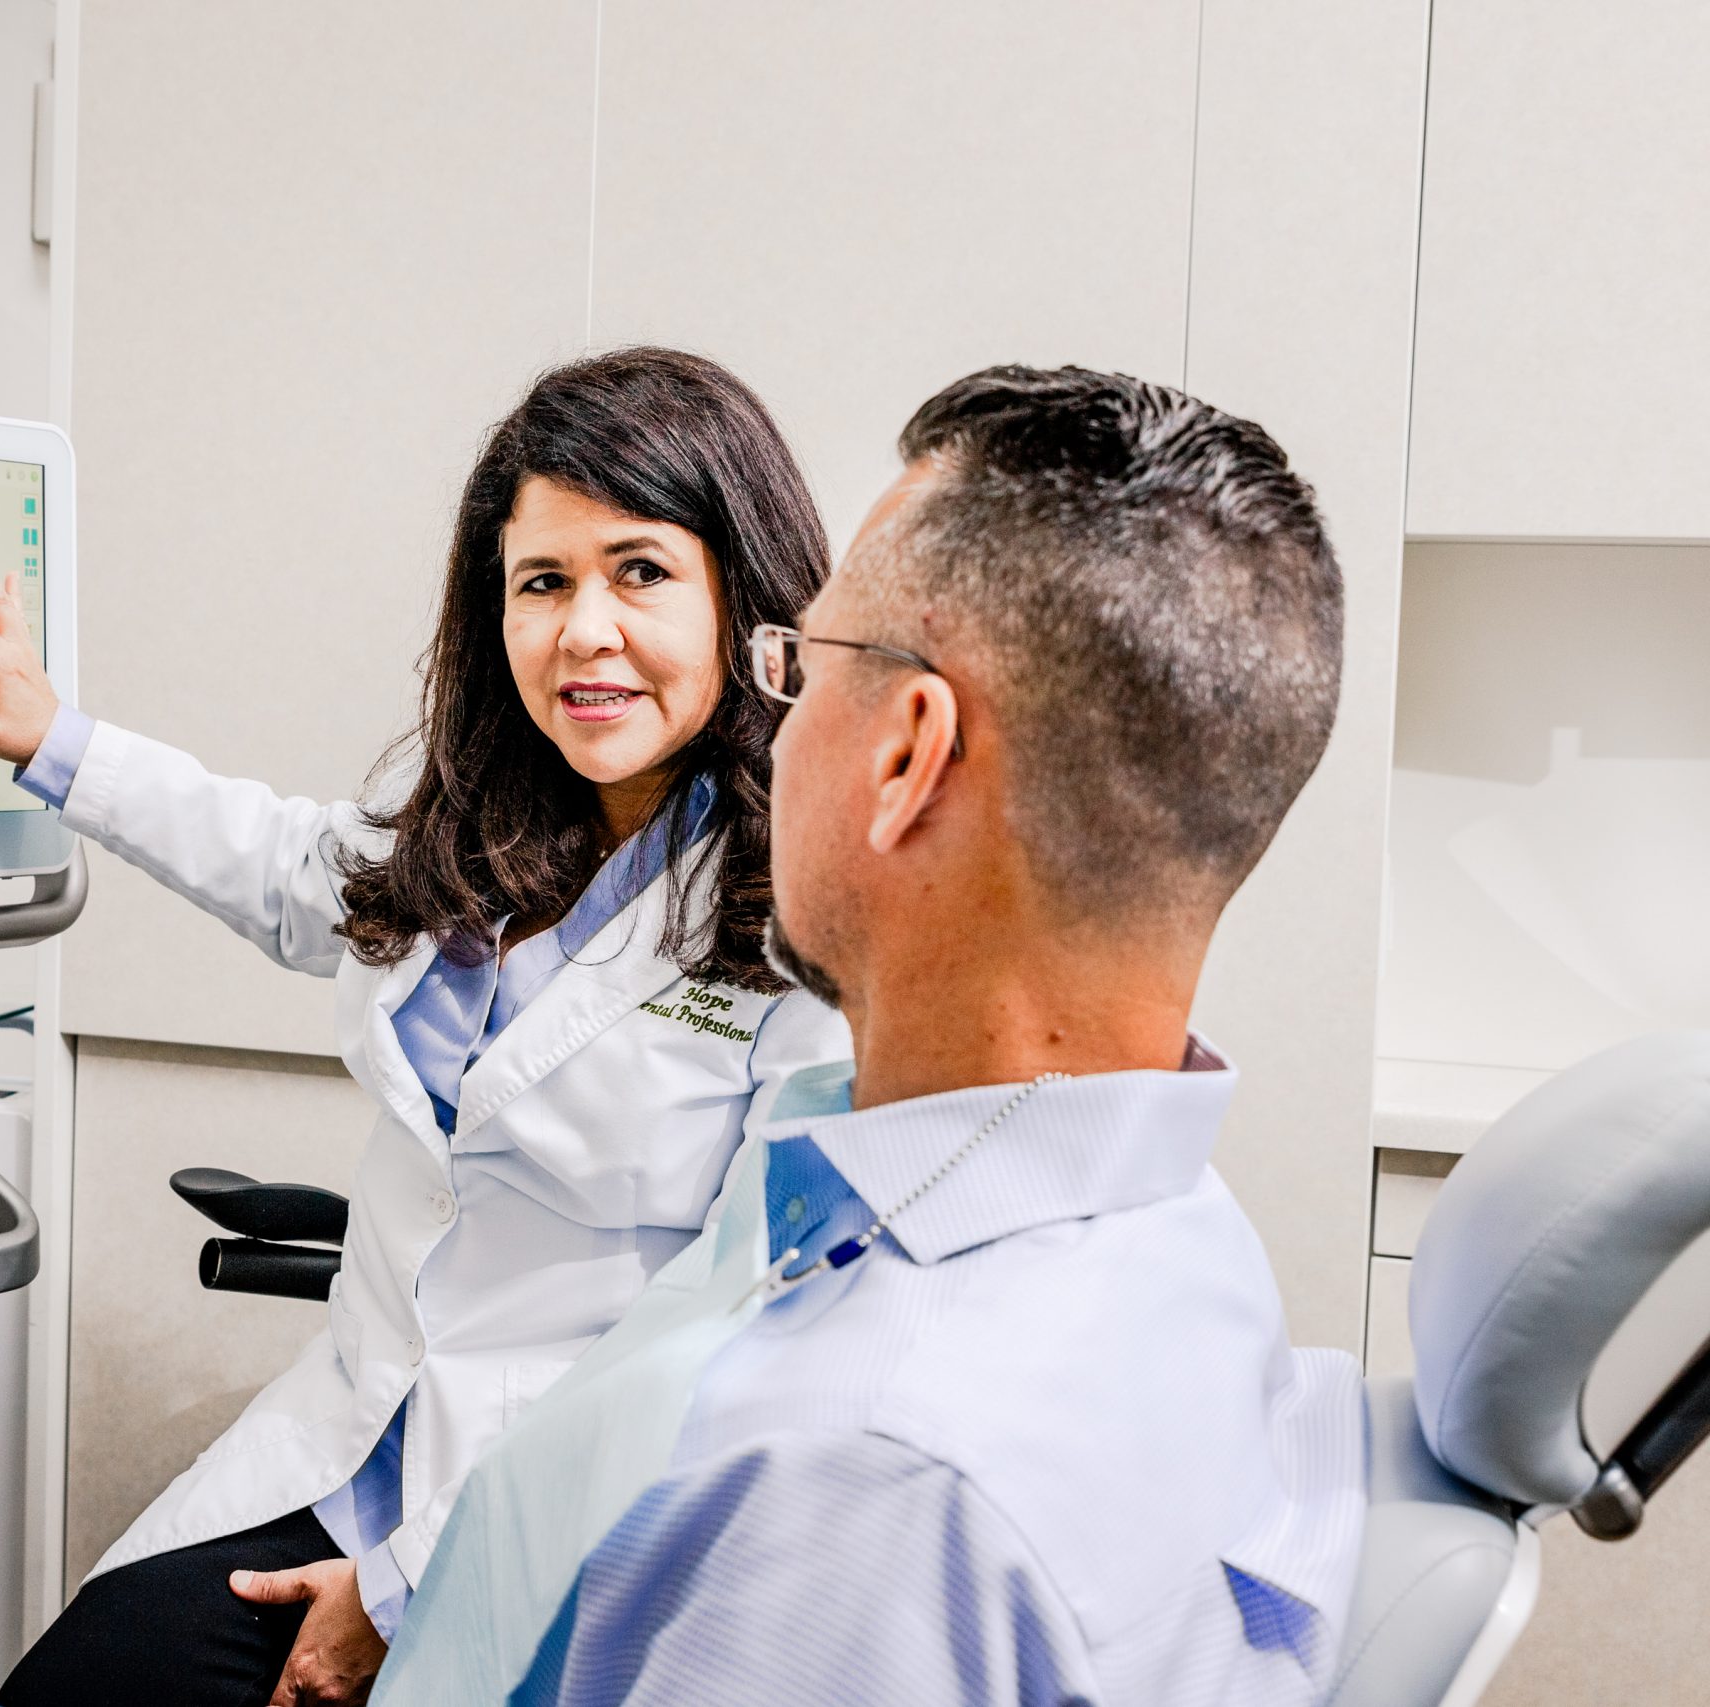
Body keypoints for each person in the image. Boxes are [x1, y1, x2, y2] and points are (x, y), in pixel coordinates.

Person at [0, 348, 847, 1707]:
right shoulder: (487, 846)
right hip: (354, 1440)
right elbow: (271, 859)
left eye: (640, 572)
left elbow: (732, 1332)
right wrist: (52, 739)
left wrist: (405, 1589)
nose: (584, 632)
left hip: (551, 1522)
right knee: (74, 1684)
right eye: (542, 583)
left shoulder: (808, 926)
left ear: (745, 595)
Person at [373, 365, 1367, 1706]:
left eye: (800, 665)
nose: (771, 729)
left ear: (905, 758)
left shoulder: (861, 1485)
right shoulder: (1191, 1237)